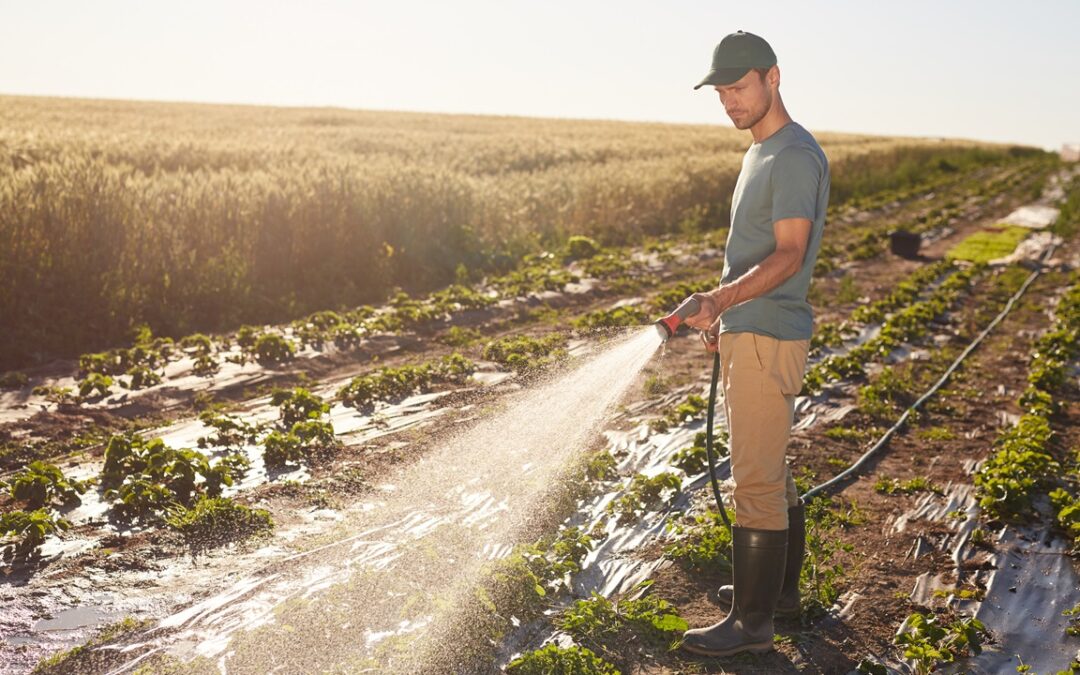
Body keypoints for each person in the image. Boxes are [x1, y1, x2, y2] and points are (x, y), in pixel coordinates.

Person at [678, 30, 830, 657]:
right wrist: (724, 314)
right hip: (751, 329)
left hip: (768, 336)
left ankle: (752, 624)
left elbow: (790, 256)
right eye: (720, 91)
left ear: (773, 77)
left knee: (756, 481)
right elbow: (755, 252)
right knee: (772, 471)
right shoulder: (760, 153)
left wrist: (720, 302)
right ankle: (779, 597)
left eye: (739, 87)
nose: (729, 101)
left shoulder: (792, 155)